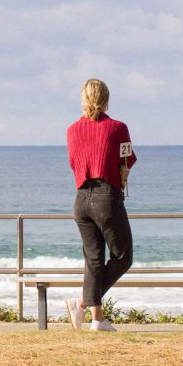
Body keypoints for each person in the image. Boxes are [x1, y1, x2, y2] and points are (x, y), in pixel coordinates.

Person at [66, 77, 138, 332]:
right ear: (106, 99)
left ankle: (97, 319)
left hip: (81, 198)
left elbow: (74, 164)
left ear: (83, 99)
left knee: (94, 260)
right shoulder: (118, 127)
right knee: (122, 256)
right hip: (106, 196)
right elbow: (127, 160)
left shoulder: (73, 129)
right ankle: (83, 303)